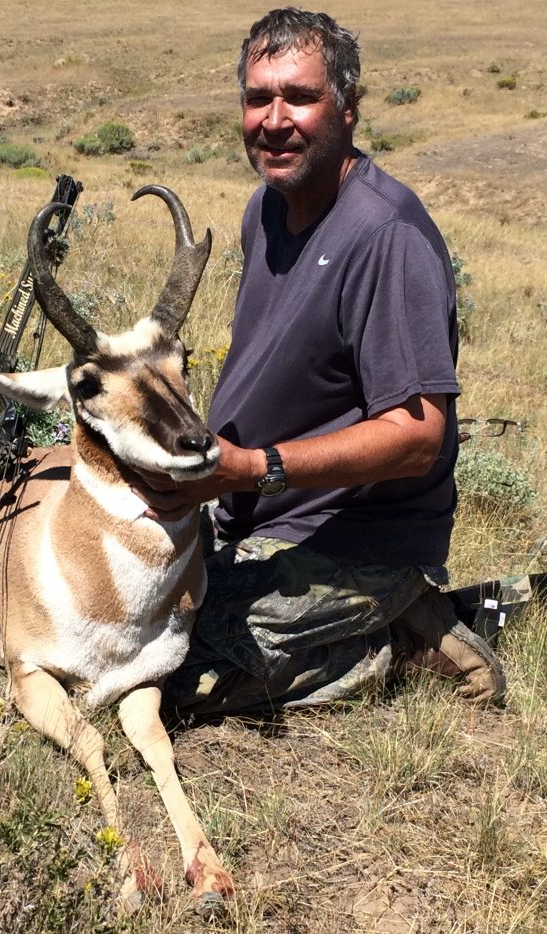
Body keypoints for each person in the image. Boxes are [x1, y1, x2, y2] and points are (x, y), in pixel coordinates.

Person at [133, 6, 506, 715]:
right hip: (242, 512)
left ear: (348, 109)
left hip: (348, 539)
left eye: (299, 97)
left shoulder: (383, 237)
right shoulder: (266, 207)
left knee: (169, 673)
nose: (274, 120)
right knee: (102, 611)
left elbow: (419, 437)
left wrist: (252, 469)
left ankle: (393, 637)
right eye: (257, 98)